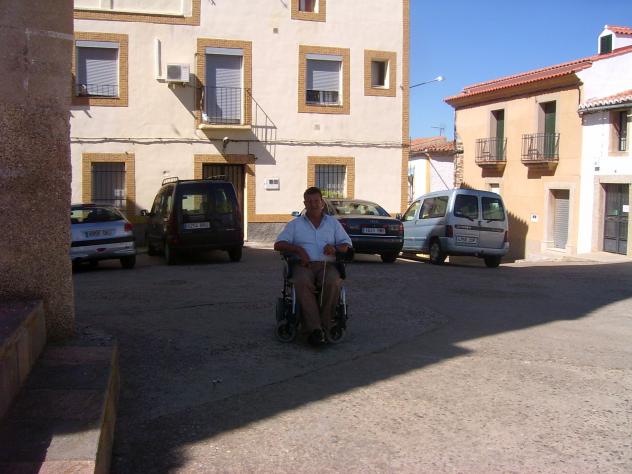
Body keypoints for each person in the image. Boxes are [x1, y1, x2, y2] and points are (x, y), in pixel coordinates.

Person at [274, 187, 352, 346]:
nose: (313, 204)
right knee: (301, 282)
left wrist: (334, 248)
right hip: (303, 265)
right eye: (309, 201)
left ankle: (322, 326)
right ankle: (316, 329)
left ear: (322, 202)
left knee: (333, 281)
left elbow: (346, 245)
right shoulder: (295, 225)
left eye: (316, 201)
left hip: (327, 265)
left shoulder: (333, 223)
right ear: (305, 204)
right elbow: (278, 244)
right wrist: (298, 249)